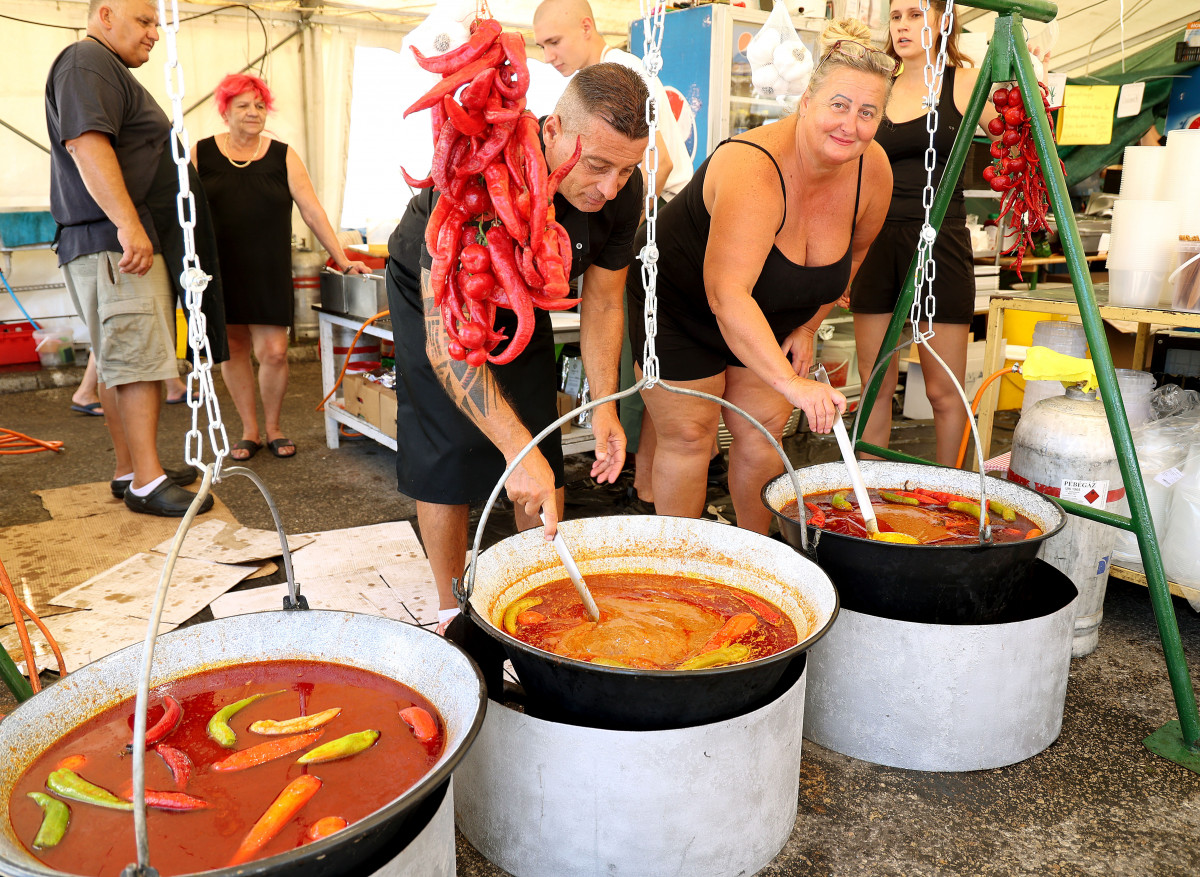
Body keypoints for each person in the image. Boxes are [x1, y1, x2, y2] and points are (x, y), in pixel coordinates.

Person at [385, 63, 649, 633]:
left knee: (540, 436)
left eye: (626, 171)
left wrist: (603, 407)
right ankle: (451, 607)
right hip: (443, 285)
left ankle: (536, 596)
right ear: (551, 129)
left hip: (527, 293)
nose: (608, 188)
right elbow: (447, 348)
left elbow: (603, 303)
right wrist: (512, 450)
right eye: (596, 165)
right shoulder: (474, 181)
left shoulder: (622, 192)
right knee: (446, 447)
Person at [626, 18, 895, 534]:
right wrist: (793, 382)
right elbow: (727, 295)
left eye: (868, 113)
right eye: (839, 105)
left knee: (764, 432)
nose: (851, 125)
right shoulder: (753, 167)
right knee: (691, 435)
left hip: (765, 309)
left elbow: (854, 259)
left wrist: (810, 325)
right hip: (680, 302)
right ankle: (678, 567)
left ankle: (756, 560)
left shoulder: (873, 170)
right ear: (806, 103)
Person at [46, 0, 211, 517]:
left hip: (105, 239)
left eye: (155, 25)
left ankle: (131, 469)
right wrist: (127, 223)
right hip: (111, 240)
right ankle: (146, 480)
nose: (153, 35)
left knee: (123, 361)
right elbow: (87, 144)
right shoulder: (86, 62)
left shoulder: (101, 67)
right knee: (138, 364)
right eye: (144, 22)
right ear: (106, 14)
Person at [533, 0, 696, 505]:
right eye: (541, 45)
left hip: (657, 235)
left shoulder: (623, 72)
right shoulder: (577, 104)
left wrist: (614, 223)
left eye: (554, 42)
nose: (549, 55)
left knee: (642, 374)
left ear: (587, 27)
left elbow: (659, 163)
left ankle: (638, 485)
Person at [849, 0, 1001, 467]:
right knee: (875, 386)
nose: (902, 26)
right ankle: (866, 496)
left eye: (915, 14)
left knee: (943, 391)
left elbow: (1023, 138)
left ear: (943, 20)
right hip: (874, 243)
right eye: (896, 17)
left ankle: (949, 493)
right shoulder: (877, 86)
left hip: (940, 244)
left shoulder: (967, 83)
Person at [192, 73, 368, 461]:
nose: (253, 113)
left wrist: (340, 257)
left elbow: (311, 210)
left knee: (273, 351)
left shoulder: (282, 155)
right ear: (225, 112)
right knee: (233, 348)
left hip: (268, 268)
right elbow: (181, 209)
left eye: (259, 105)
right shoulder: (200, 153)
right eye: (243, 105)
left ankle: (273, 427)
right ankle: (249, 430)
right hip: (218, 271)